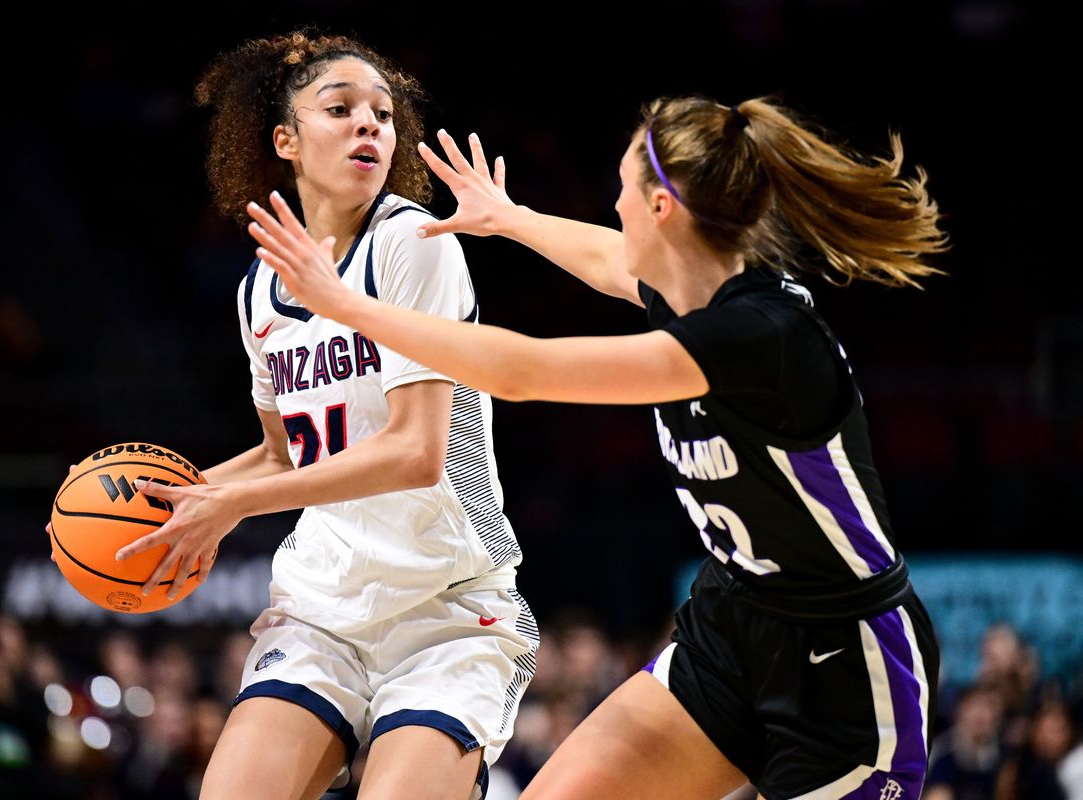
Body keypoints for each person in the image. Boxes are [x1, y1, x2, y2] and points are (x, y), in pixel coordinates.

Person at [248, 94, 947, 799]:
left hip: (846, 668)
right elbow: (605, 257)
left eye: (623, 191)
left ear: (664, 210)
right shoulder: (690, 290)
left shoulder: (760, 337)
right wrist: (508, 218)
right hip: (731, 629)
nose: (614, 206)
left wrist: (349, 308)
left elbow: (520, 373)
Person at [112, 31, 538, 800]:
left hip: (448, 607)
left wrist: (232, 505)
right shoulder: (261, 288)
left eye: (382, 112)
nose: (369, 124)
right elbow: (286, 454)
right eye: (339, 109)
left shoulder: (416, 243)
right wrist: (167, 505)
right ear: (285, 141)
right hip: (324, 608)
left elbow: (416, 452)